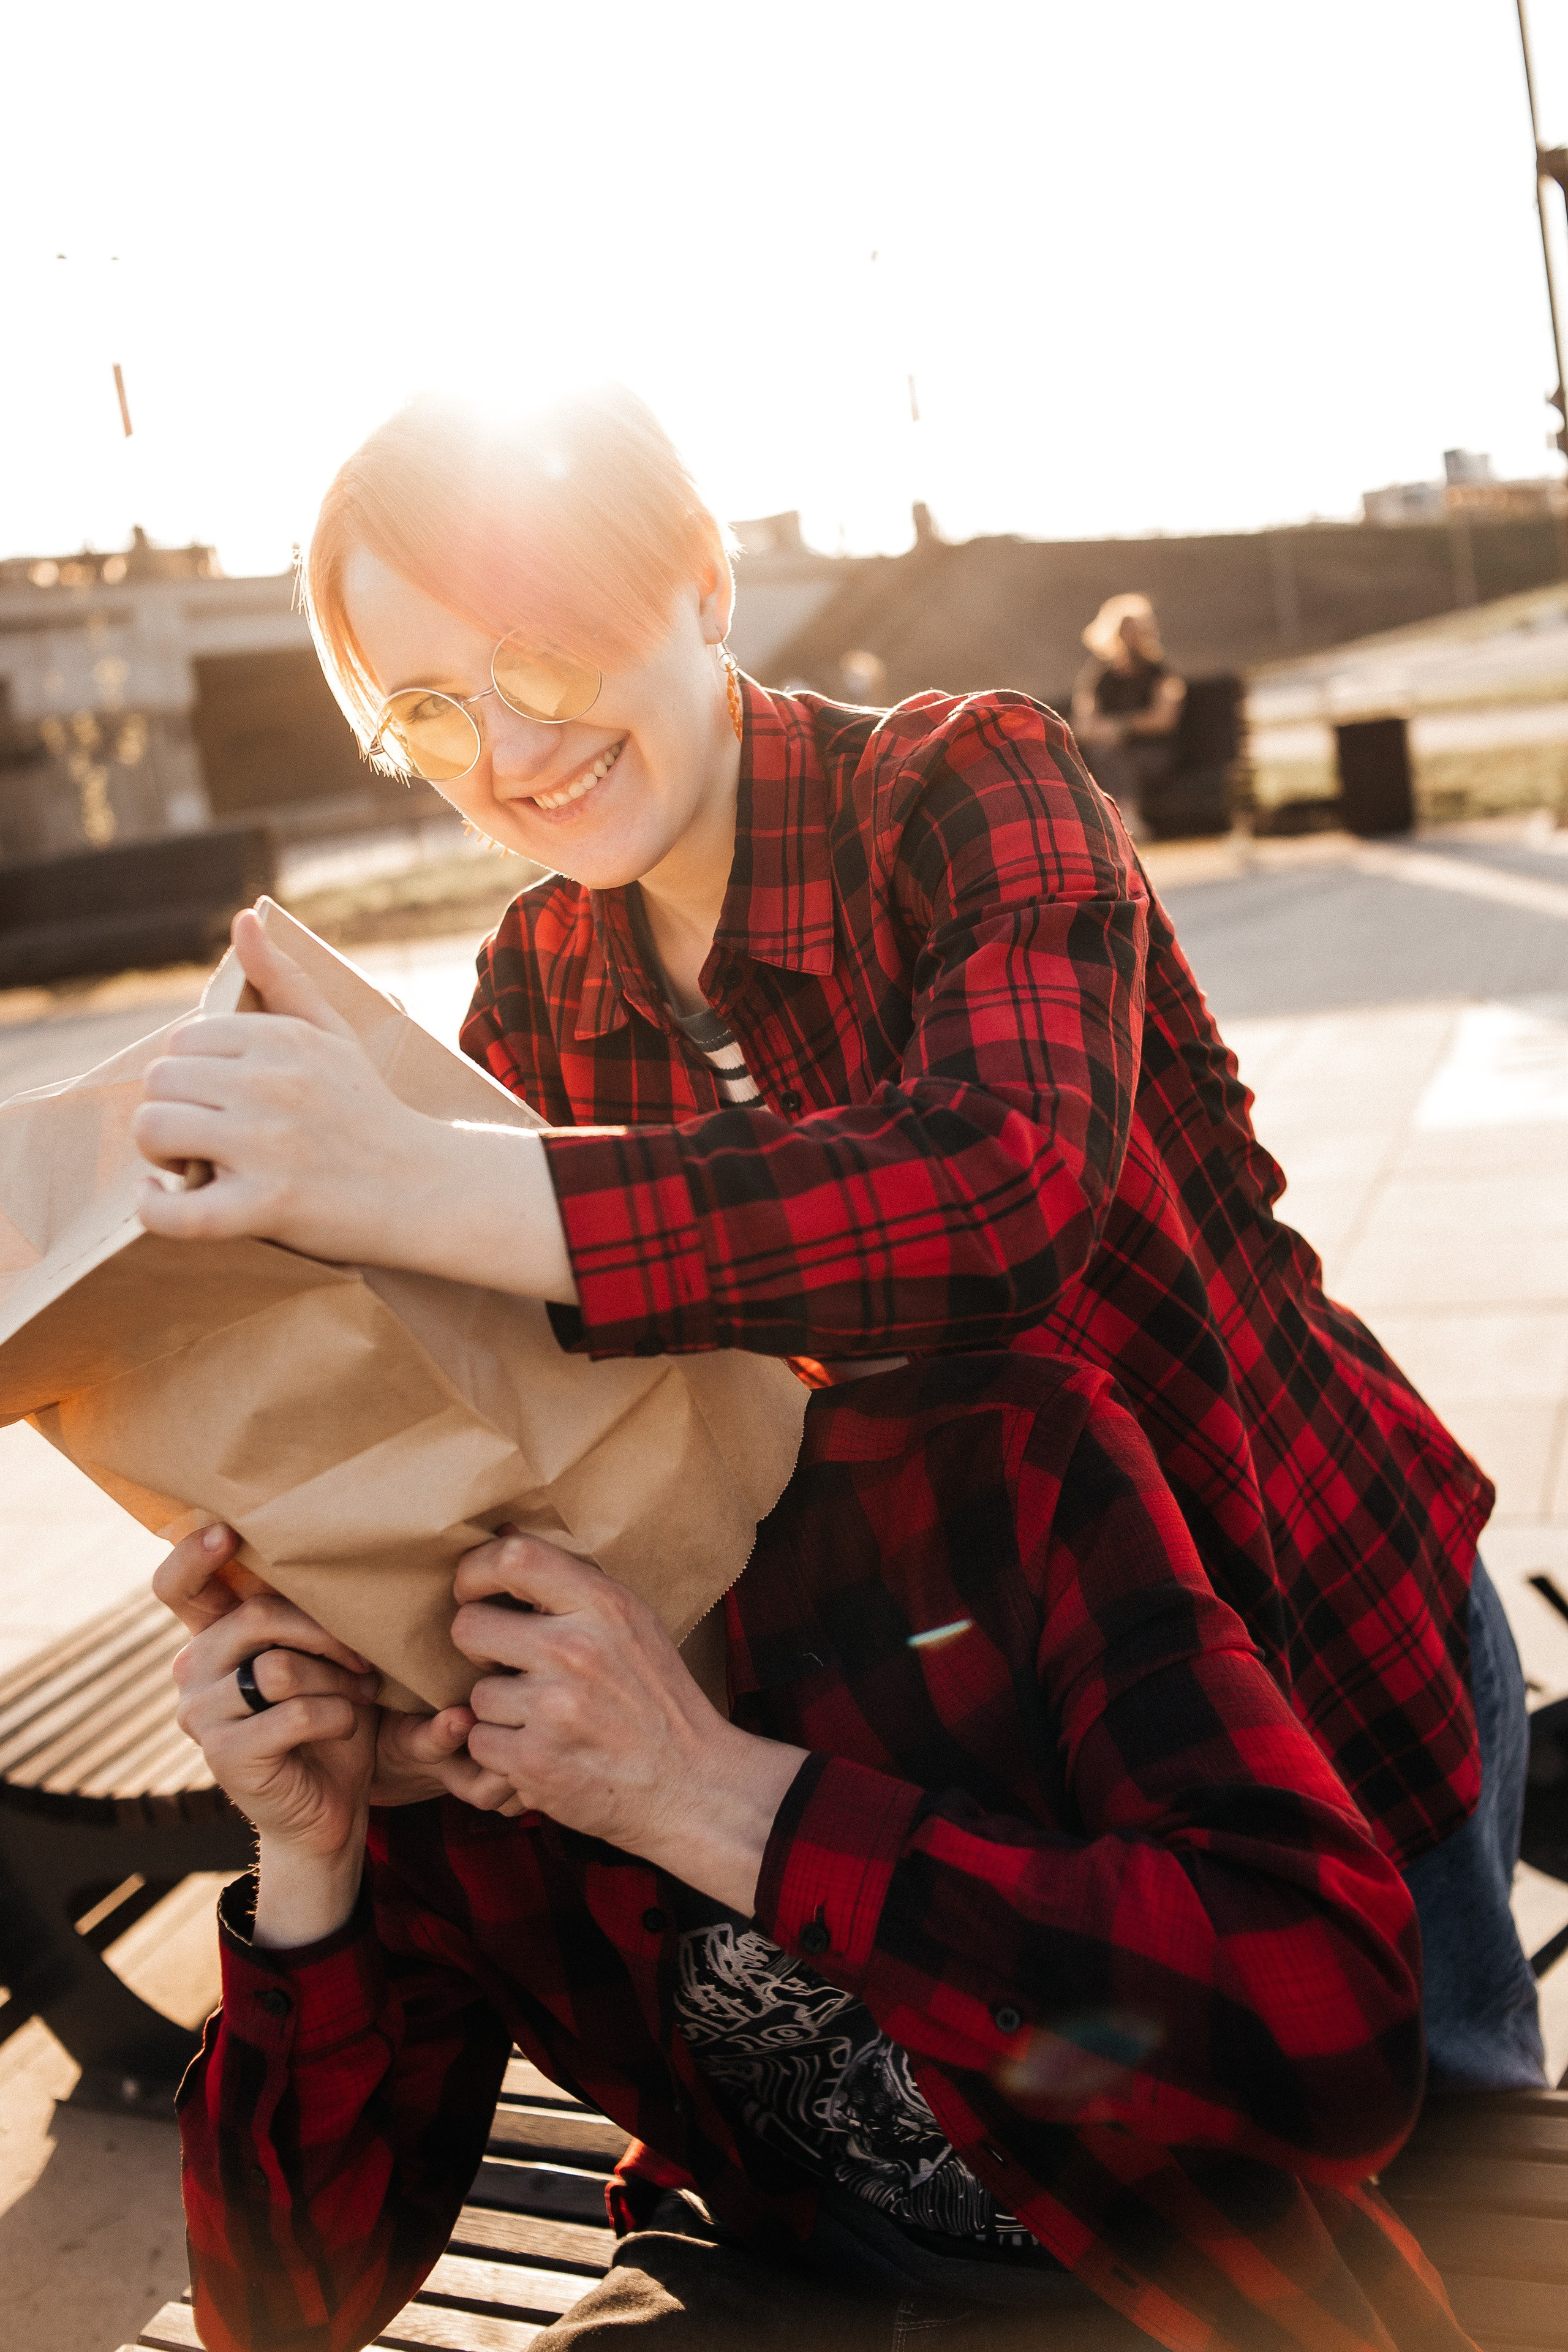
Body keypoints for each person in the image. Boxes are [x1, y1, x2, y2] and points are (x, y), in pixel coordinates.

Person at [129, 383, 1542, 2092]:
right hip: (1015, 1749)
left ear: (703, 590)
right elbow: (530, 1419)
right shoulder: (538, 986)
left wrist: (413, 1180)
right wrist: (330, 1583)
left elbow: (992, 1190)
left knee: (1460, 2190)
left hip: (1313, 1610)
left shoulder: (964, 783)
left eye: (546, 662)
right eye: (427, 711)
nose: (505, 756)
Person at [161, 1352, 1471, 2352]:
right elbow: (282, 2314)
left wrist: (703, 1792)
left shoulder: (985, 1467)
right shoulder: (419, 1723)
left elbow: (1335, 2034)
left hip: (1167, 2279)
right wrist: (310, 1863)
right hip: (772, 2273)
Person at [1070, 593, 1186, 834]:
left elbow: (1165, 719)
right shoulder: (1100, 678)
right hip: (1108, 752)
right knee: (1107, 754)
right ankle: (1124, 822)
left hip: (1152, 754)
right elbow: (1083, 723)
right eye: (1125, 631)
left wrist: (1121, 728)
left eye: (1137, 631)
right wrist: (1103, 733)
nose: (1131, 638)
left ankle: (1125, 822)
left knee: (1118, 758)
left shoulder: (1160, 673)